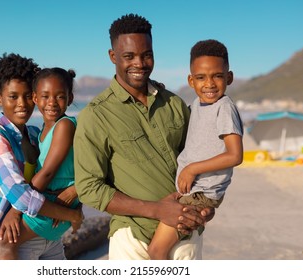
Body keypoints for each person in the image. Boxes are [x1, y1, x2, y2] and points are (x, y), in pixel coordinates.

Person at [74, 13, 214, 260]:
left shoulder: (174, 103)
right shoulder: (95, 116)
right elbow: (89, 187)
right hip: (132, 240)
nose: (139, 63)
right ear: (113, 56)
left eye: (146, 55)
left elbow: (197, 161)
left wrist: (207, 205)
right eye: (128, 56)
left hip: (184, 234)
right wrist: (158, 210)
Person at [147, 39, 244, 259]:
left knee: (156, 251)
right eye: (201, 77)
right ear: (191, 80)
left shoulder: (224, 108)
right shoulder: (198, 105)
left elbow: (235, 155)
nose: (209, 84)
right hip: (194, 193)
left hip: (200, 193)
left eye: (217, 76)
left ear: (229, 77)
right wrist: (161, 91)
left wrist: (192, 169)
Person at [0, 53, 83, 260]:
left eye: (27, 96)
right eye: (13, 96)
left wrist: (75, 189)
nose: (22, 104)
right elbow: (20, 194)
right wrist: (72, 215)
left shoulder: (36, 134)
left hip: (49, 234)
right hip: (18, 237)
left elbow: (73, 166)